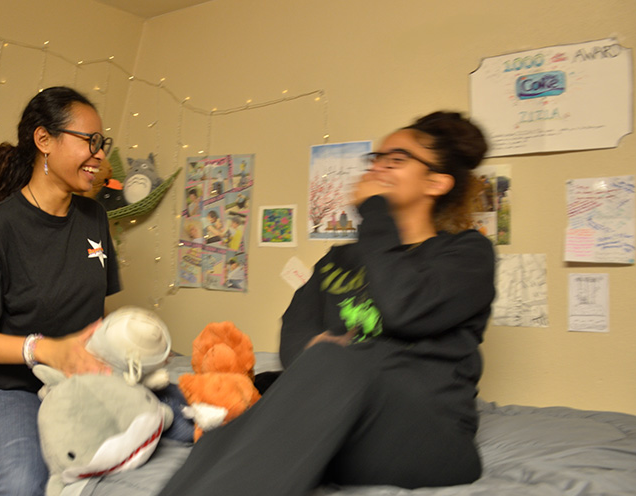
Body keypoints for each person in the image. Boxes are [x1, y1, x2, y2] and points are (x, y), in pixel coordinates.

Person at [158, 111, 496, 496]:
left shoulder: (467, 254)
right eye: (376, 158)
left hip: (431, 438)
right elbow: (296, 334)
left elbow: (403, 307)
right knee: (241, 419)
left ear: (436, 181)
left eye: (396, 159)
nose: (378, 167)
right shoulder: (338, 260)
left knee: (330, 363)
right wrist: (314, 357)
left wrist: (374, 212)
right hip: (345, 423)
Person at [0, 86, 120, 496]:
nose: (99, 155)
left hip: (81, 382)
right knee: (21, 483)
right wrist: (43, 349)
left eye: (101, 143)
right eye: (89, 141)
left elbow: (95, 317)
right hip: (15, 389)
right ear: (44, 141)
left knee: (181, 421)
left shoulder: (94, 219)